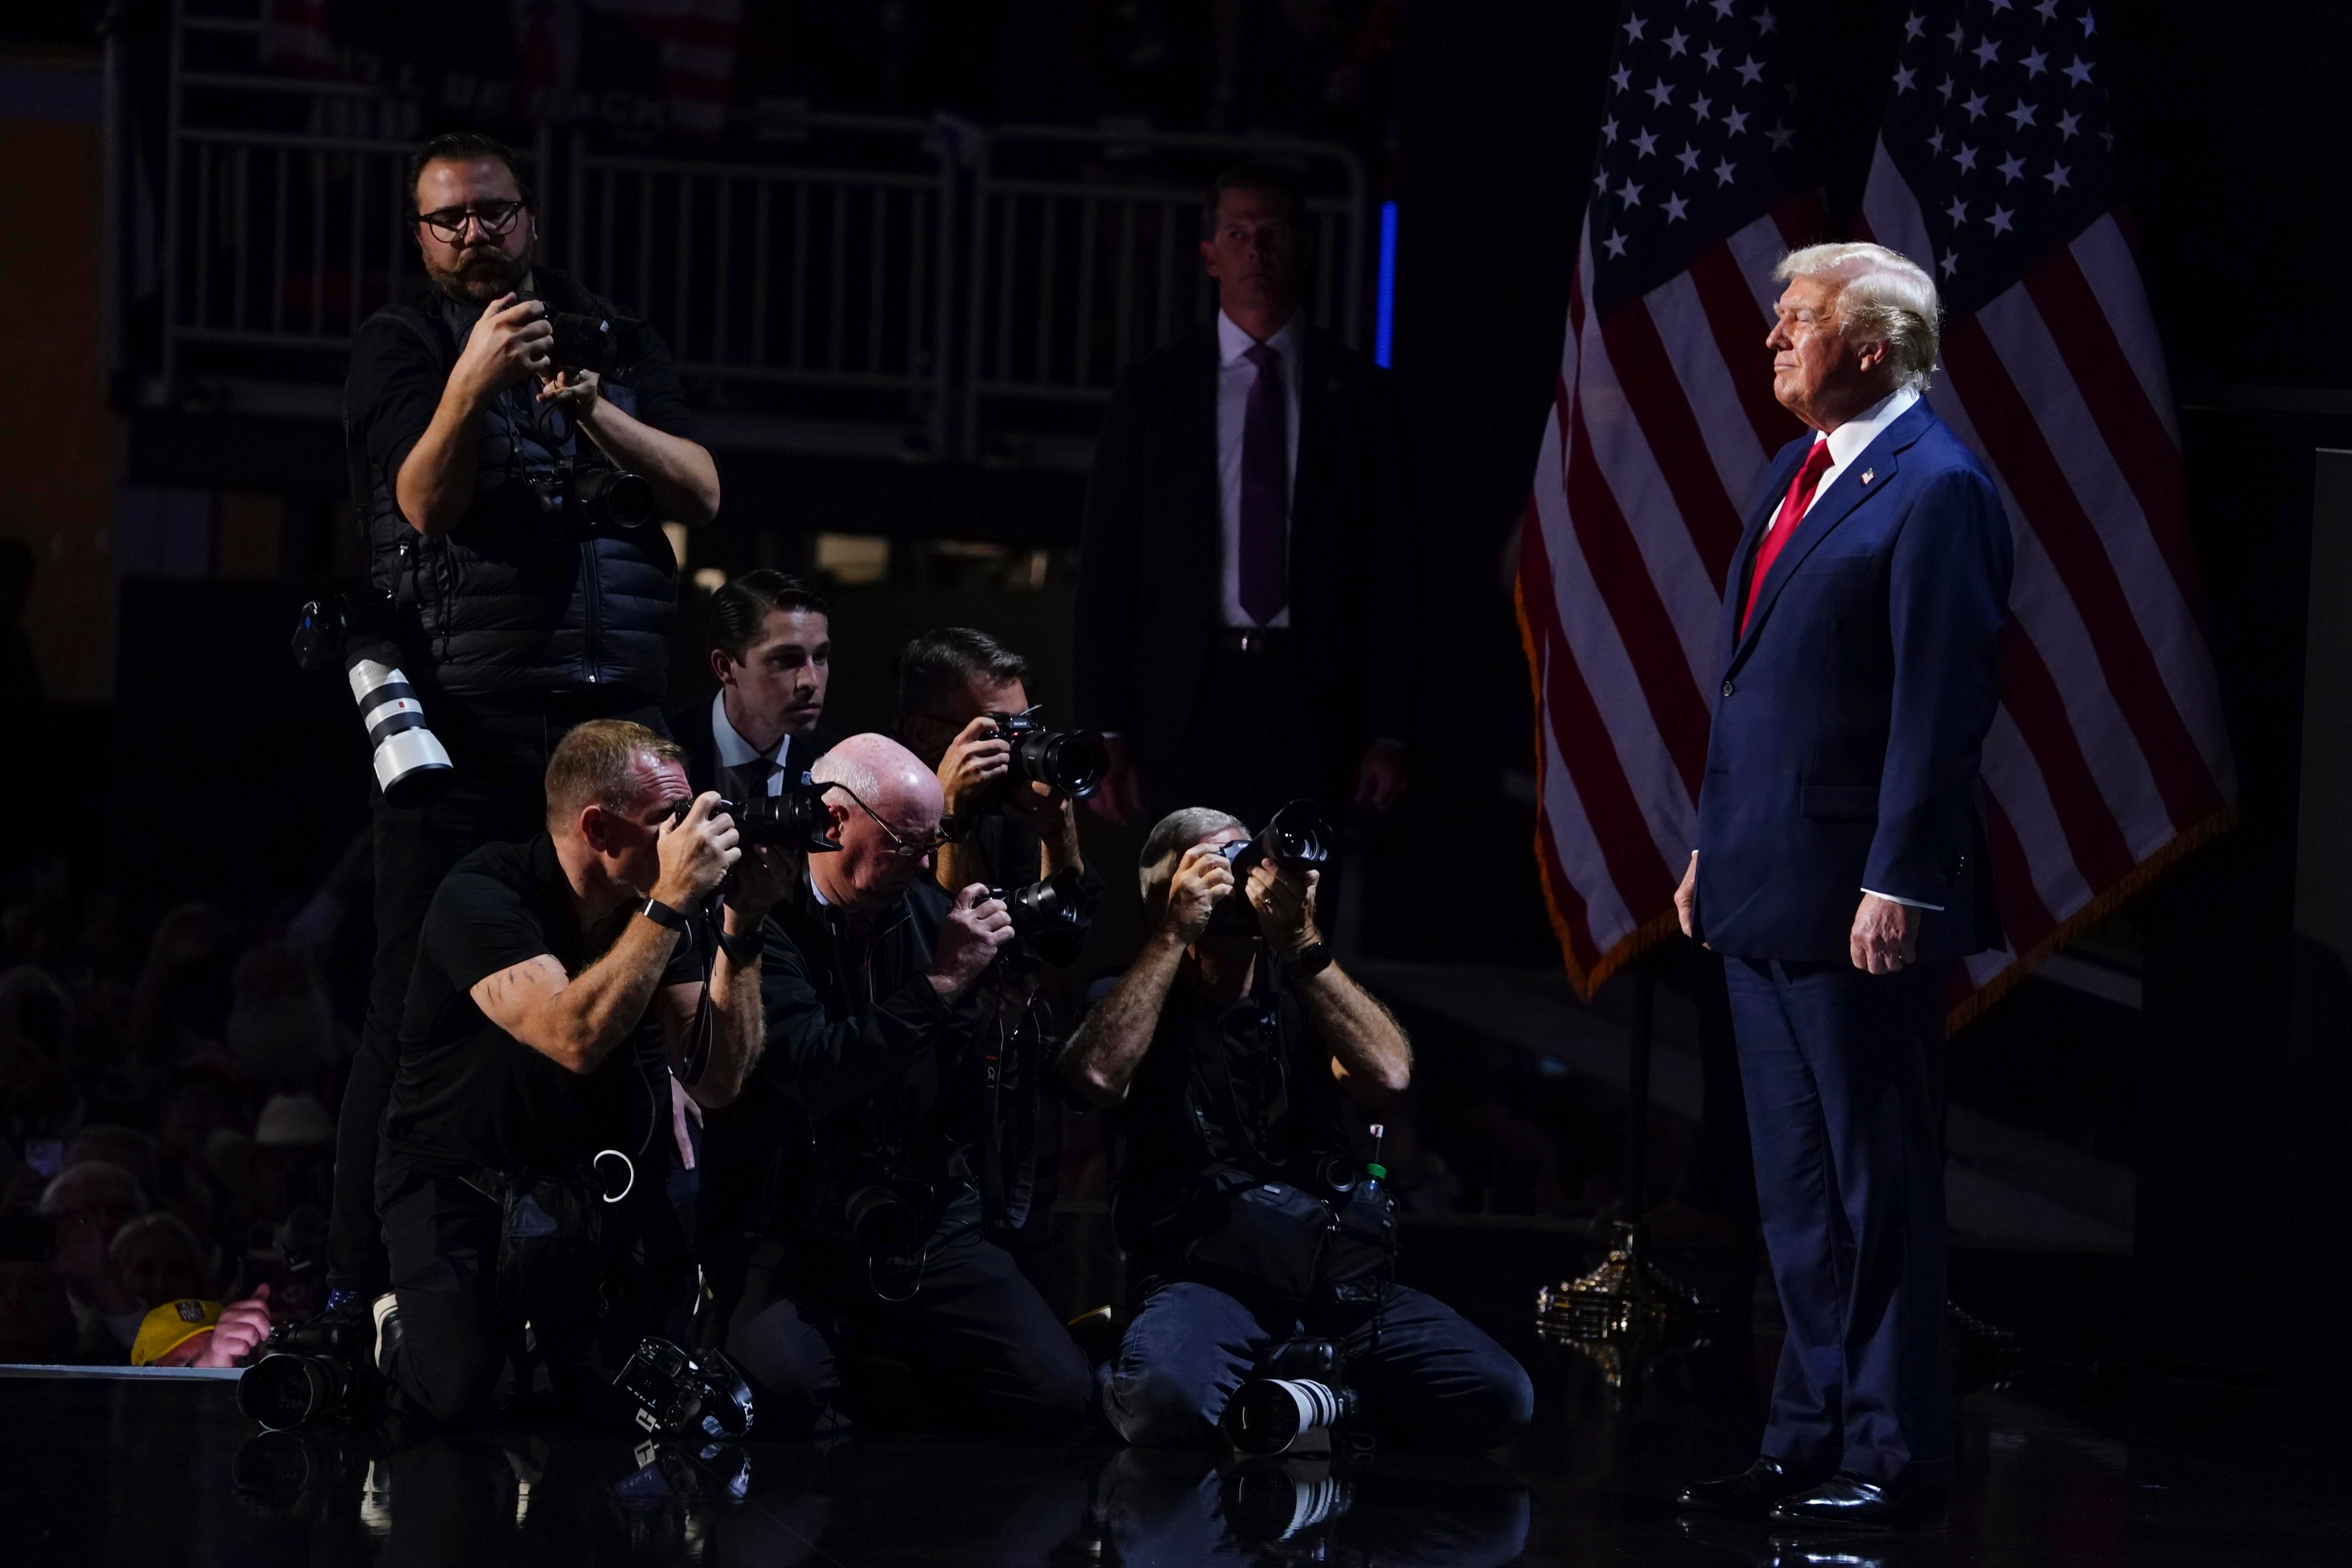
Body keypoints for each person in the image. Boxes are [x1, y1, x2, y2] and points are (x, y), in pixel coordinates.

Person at [328, 130, 719, 1314]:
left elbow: (699, 488)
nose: (473, 236)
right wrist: (472, 381)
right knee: (411, 1004)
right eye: (447, 219)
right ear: (419, 235)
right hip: (475, 719)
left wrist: (596, 408)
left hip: (612, 726)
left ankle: (636, 1277)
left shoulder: (609, 335)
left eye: (493, 213)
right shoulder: (398, 346)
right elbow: (420, 501)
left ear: (530, 220)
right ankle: (362, 1289)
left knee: (649, 983)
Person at [1672, 243, 2011, 1530]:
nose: (1771, 337)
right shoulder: (1794, 471)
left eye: (1797, 319)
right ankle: (1804, 1431)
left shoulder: (1939, 490)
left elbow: (1941, 704)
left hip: (1859, 898)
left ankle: (1892, 1442)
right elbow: (1759, 687)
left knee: (1874, 1184)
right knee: (1796, 1191)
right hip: (1764, 875)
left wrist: (1901, 877)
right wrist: (1714, 840)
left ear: (1872, 344)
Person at [1062, 808, 1532, 1452]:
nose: (1242, 882)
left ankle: (1296, 1396)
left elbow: (1390, 1076)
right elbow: (1093, 1078)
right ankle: (1209, 1369)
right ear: (1163, 894)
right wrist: (1172, 935)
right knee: (1162, 1408)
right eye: (1214, 867)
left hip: (1330, 1277)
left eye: (1246, 860)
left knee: (1501, 1396)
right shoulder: (1132, 993)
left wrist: (1304, 944)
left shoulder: (1302, 991)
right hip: (1204, 1281)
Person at [373, 720, 777, 1424]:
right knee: (463, 1393)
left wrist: (741, 934)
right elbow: (572, 1036)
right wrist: (672, 903)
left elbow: (716, 1081)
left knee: (612, 1402)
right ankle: (395, 1322)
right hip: (456, 1180)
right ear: (598, 827)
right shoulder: (482, 895)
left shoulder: (651, 906)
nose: (688, 836)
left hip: (579, 1186)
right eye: (668, 819)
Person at [694, 734, 1094, 1436]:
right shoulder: (762, 916)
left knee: (1059, 1391)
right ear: (836, 819)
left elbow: (963, 1097)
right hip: (795, 1220)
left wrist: (993, 1024)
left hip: (921, 1209)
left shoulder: (927, 914)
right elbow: (815, 1071)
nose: (923, 863)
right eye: (906, 843)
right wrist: (941, 987)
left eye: (931, 842)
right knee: (787, 1392)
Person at [1073, 162, 1415, 830]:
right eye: (1237, 233)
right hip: (1185, 701)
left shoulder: (1361, 396)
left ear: (1303, 248)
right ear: (1209, 256)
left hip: (1314, 698)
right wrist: (1104, 731)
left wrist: (1392, 731)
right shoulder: (1156, 392)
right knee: (1187, 912)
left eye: (1271, 233)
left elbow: (1396, 571)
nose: (1256, 251)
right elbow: (1109, 568)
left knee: (1298, 918)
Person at [893, 627, 1094, 965]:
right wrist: (951, 809)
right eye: (997, 730)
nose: (1016, 744)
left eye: (1025, 724)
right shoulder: (879, 806)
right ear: (924, 733)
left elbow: (1064, 946)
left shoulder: (1015, 799)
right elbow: (956, 945)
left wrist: (1058, 832)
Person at [672, 570, 839, 802]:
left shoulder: (838, 764)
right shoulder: (666, 751)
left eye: (820, 656)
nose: (811, 680)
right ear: (725, 667)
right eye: (788, 659)